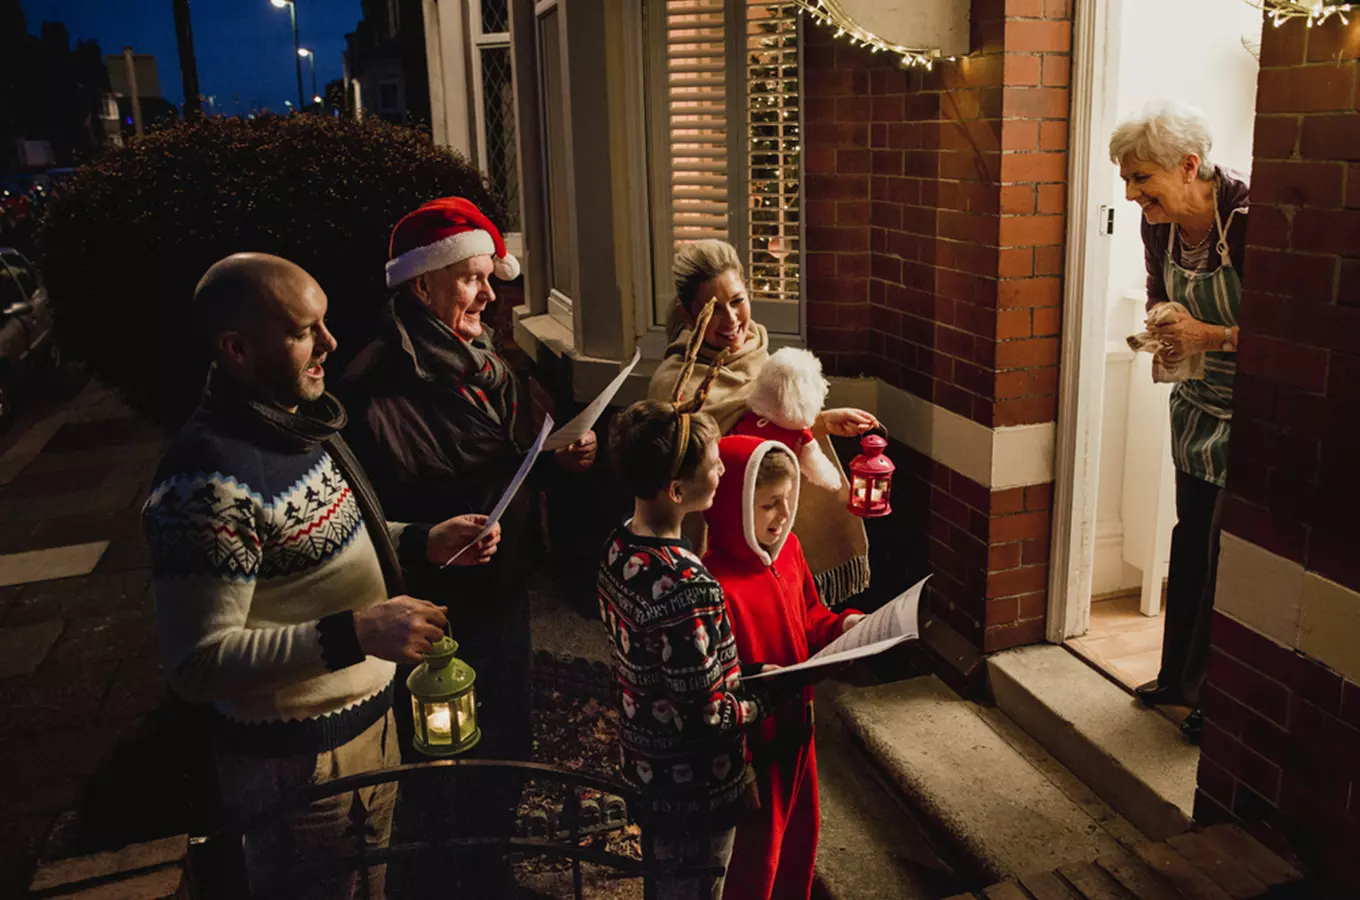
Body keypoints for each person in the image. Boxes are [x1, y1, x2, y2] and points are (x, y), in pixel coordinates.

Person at [142, 253, 500, 899]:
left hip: (362, 722)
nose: (331, 344)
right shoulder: (205, 483)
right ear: (237, 349)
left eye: (326, 323)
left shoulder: (291, 426)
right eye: (306, 330)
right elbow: (196, 664)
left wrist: (421, 539)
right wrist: (357, 632)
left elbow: (318, 540)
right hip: (297, 762)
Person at [337, 196, 596, 892]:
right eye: (472, 278)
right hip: (435, 610)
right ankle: (439, 882)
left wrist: (557, 458)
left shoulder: (489, 364)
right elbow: (361, 514)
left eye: (491, 276)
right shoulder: (373, 383)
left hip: (500, 588)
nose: (491, 293)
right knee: (443, 757)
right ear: (421, 284)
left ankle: (491, 871)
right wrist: (425, 541)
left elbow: (503, 459)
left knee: (508, 738)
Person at [600, 396, 779, 900]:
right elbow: (704, 719)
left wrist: (741, 669)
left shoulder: (618, 548)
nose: (724, 469)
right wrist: (765, 697)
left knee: (664, 885)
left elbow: (664, 666)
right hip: (697, 787)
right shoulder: (685, 584)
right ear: (676, 490)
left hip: (644, 765)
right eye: (714, 463)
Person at [1110, 101, 1248, 743]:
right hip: (1197, 407)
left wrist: (1212, 334)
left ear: (1190, 165)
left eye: (1142, 179)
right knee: (1192, 538)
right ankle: (1178, 678)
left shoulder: (1251, 221)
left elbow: (1292, 336)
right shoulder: (1161, 229)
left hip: (1251, 413)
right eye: (1128, 179)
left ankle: (1218, 700)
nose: (1132, 193)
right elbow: (1155, 288)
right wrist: (1165, 319)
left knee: (1231, 555)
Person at [648, 239, 878, 607]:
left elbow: (767, 429)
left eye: (737, 301)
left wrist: (821, 423)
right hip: (720, 540)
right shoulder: (673, 383)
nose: (731, 320)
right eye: (714, 310)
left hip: (774, 521)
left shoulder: (759, 355)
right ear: (689, 316)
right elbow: (728, 449)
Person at [703, 436, 864, 900]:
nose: (781, 515)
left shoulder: (790, 551)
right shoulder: (716, 584)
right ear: (733, 504)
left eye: (788, 501)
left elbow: (810, 617)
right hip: (755, 750)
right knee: (756, 863)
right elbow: (717, 682)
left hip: (799, 734)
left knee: (798, 847)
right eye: (768, 504)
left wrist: (845, 626)